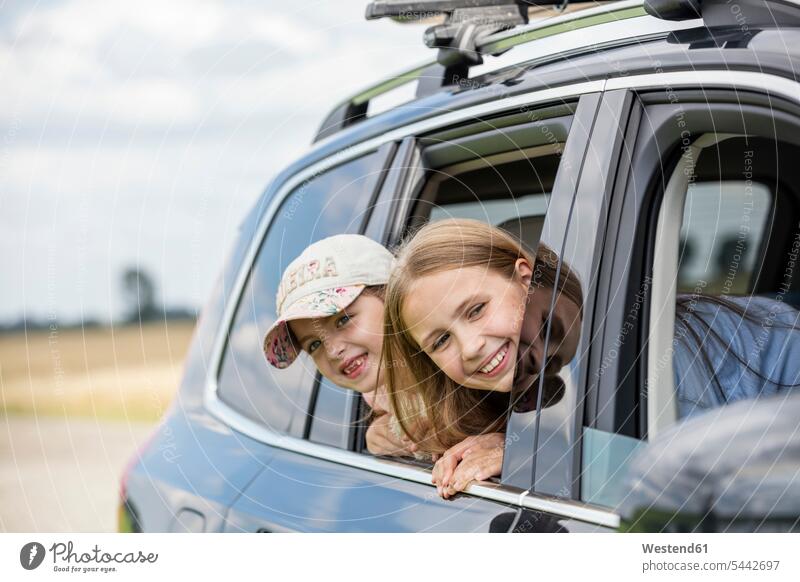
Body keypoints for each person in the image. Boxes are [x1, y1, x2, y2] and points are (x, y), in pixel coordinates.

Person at [384, 218, 800, 498]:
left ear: (526, 279)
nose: (470, 345)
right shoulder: (516, 389)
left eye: (476, 310)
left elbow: (678, 494)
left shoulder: (647, 352)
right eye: (440, 341)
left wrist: (532, 454)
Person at [262, 234, 414, 457]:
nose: (333, 351)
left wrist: (484, 442)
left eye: (343, 320)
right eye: (314, 345)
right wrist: (376, 434)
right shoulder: (376, 394)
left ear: (393, 298)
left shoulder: (454, 361)